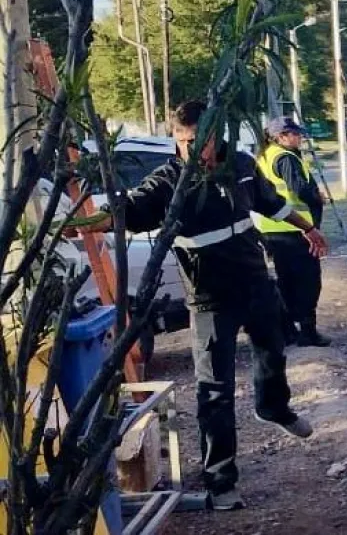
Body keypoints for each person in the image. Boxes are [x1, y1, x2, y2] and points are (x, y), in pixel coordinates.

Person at [80, 100, 327, 510]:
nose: (193, 150)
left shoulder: (242, 164)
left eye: (200, 141)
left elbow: (272, 204)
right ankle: (221, 482)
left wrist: (309, 229)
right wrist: (71, 224)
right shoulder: (168, 183)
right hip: (210, 300)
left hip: (256, 285)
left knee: (275, 349)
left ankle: (273, 407)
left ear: (217, 136)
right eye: (184, 141)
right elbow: (122, 212)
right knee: (215, 392)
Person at [256, 117, 331, 348]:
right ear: (281, 137)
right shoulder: (285, 158)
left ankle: (287, 331)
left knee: (286, 282)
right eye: (294, 134)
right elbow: (299, 189)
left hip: (272, 229)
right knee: (307, 282)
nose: (299, 138)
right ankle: (308, 332)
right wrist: (315, 196)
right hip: (295, 231)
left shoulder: (266, 156)